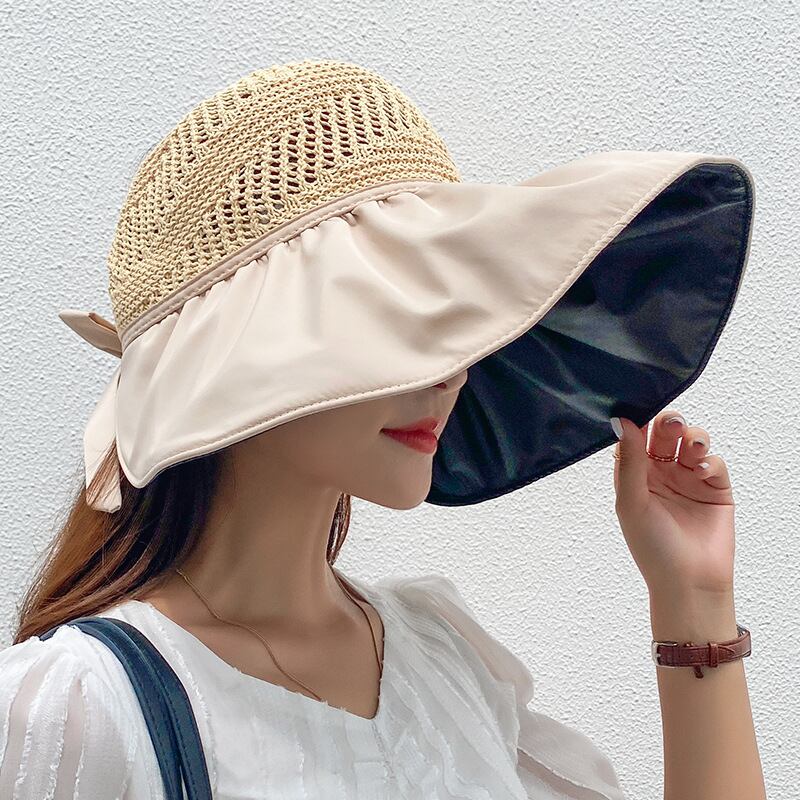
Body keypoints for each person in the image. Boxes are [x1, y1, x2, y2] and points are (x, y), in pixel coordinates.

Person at [0, 59, 764, 798]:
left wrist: (693, 600)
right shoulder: (78, 710)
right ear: (240, 349)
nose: (451, 373)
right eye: (393, 315)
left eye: (454, 319)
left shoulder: (443, 657)